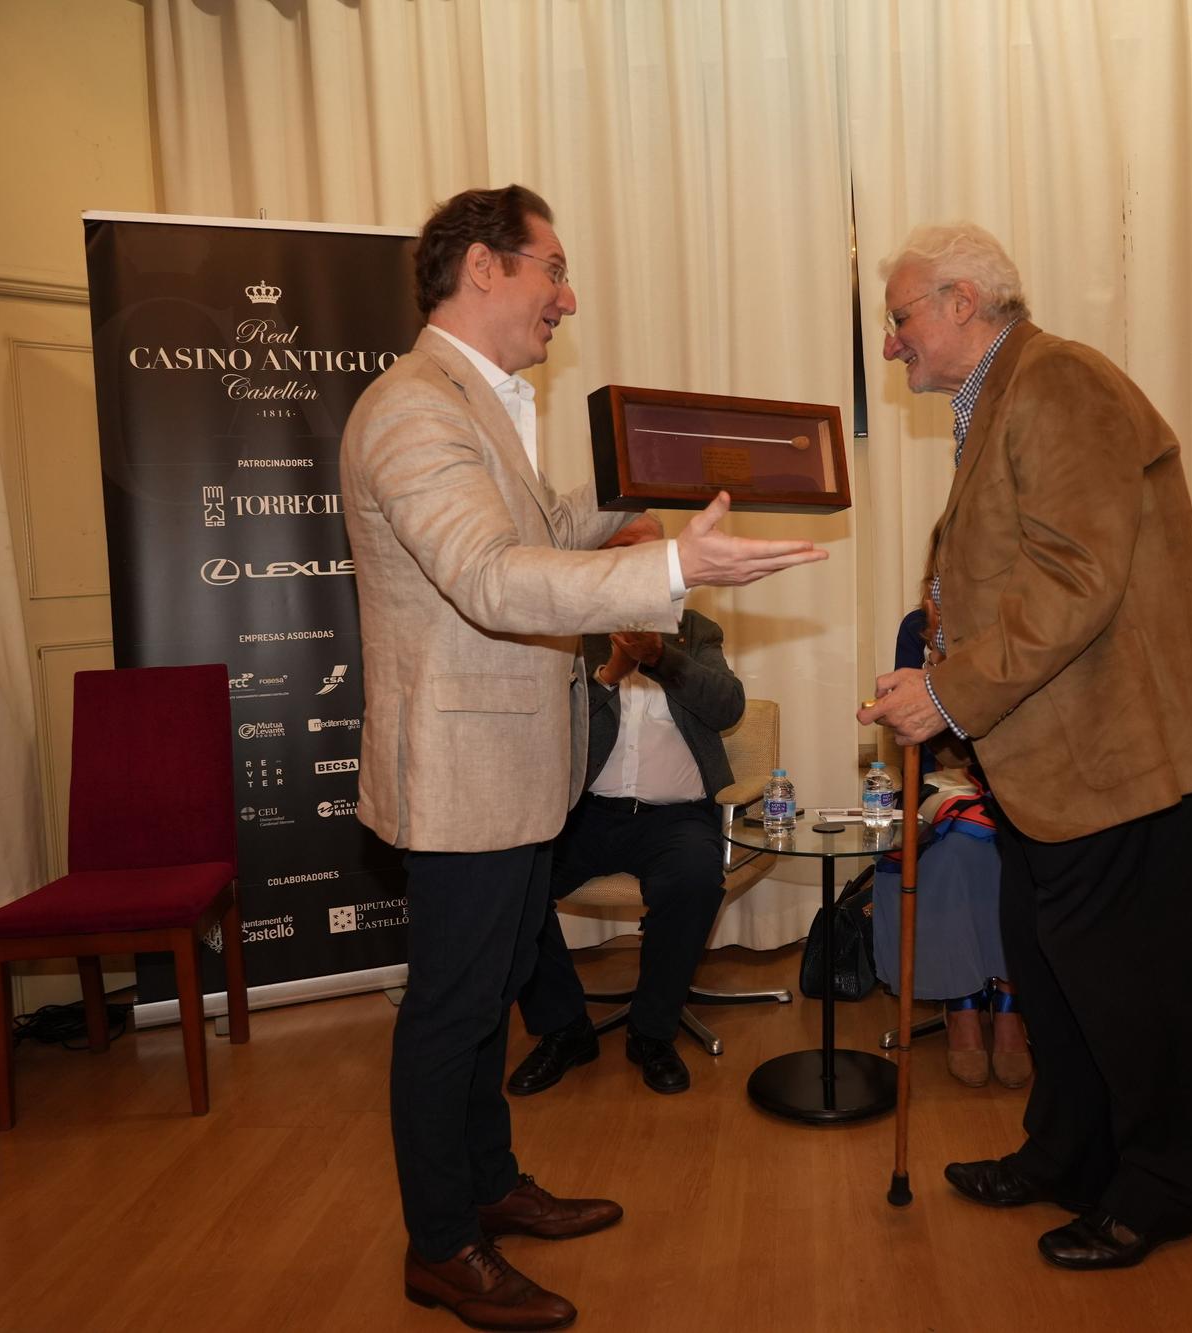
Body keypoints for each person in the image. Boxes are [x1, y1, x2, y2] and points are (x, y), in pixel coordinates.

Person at [341, 184, 824, 1331]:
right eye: (550, 269)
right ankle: (441, 1244)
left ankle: (488, 1185)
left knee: (491, 992)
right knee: (451, 1014)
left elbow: (538, 532)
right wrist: (669, 574)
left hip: (513, 772)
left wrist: (636, 496)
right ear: (481, 267)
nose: (568, 296)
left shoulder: (475, 406)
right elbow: (490, 578)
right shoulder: (415, 410)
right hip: (460, 776)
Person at [857, 222, 1192, 1272]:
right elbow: (1008, 576)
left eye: (899, 318)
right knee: (1051, 973)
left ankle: (1161, 1186)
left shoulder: (1058, 382)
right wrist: (933, 658)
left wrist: (947, 690)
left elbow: (1076, 582)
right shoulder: (1002, 398)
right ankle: (1067, 1151)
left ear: (960, 302)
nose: (891, 346)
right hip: (1048, 759)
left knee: (1130, 985)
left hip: (1112, 755)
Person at [506, 515, 744, 1098]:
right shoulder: (568, 632)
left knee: (692, 881)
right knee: (514, 887)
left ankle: (652, 1033)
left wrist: (662, 659)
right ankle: (564, 1030)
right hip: (585, 814)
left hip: (678, 816)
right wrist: (611, 674)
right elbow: (555, 734)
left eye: (646, 555)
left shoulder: (695, 630)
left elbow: (728, 707)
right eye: (619, 554)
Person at [870, 608, 1028, 1088]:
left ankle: (1009, 1005)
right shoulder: (918, 627)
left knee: (1021, 845)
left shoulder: (1024, 624)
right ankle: (959, 1004)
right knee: (959, 846)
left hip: (1024, 776)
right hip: (944, 776)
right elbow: (904, 720)